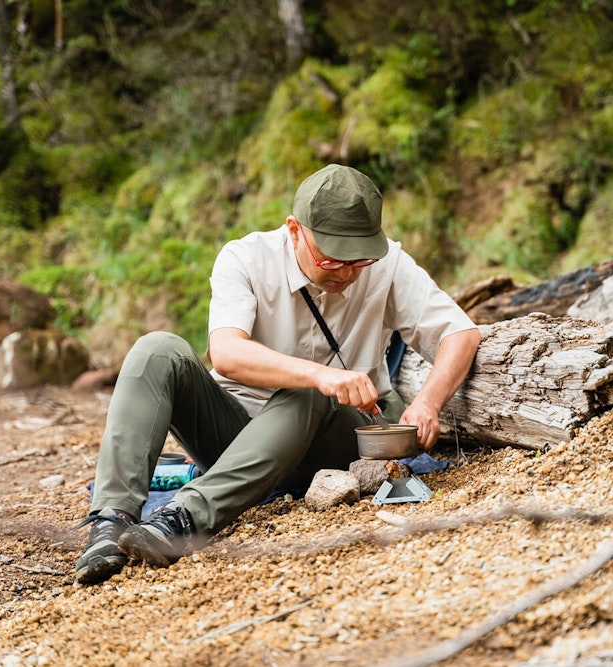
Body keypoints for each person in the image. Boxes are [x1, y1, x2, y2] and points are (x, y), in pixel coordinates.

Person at [74, 163, 481, 585]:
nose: (346, 271)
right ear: (294, 230)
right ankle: (111, 522)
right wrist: (319, 375)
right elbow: (227, 354)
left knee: (310, 391)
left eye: (359, 260)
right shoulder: (245, 258)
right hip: (237, 442)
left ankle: (183, 520)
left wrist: (428, 402)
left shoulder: (389, 264)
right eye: (331, 258)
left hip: (336, 442)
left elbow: (460, 332)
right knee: (157, 348)